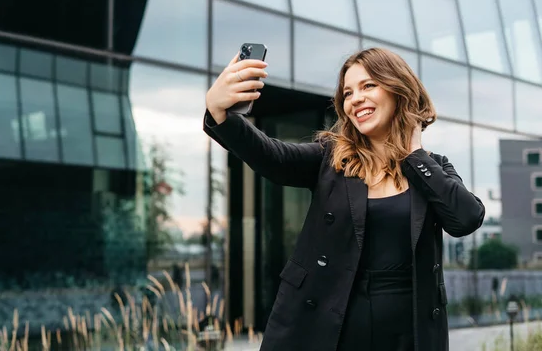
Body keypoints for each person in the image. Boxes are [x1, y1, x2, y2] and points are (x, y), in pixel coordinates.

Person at [202, 48, 485, 351]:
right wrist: (219, 112)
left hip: (408, 335)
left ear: (398, 89)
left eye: (368, 86)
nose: (355, 99)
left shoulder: (432, 168)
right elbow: (273, 157)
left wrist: (414, 156)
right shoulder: (331, 159)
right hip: (329, 328)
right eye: (348, 93)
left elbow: (466, 218)